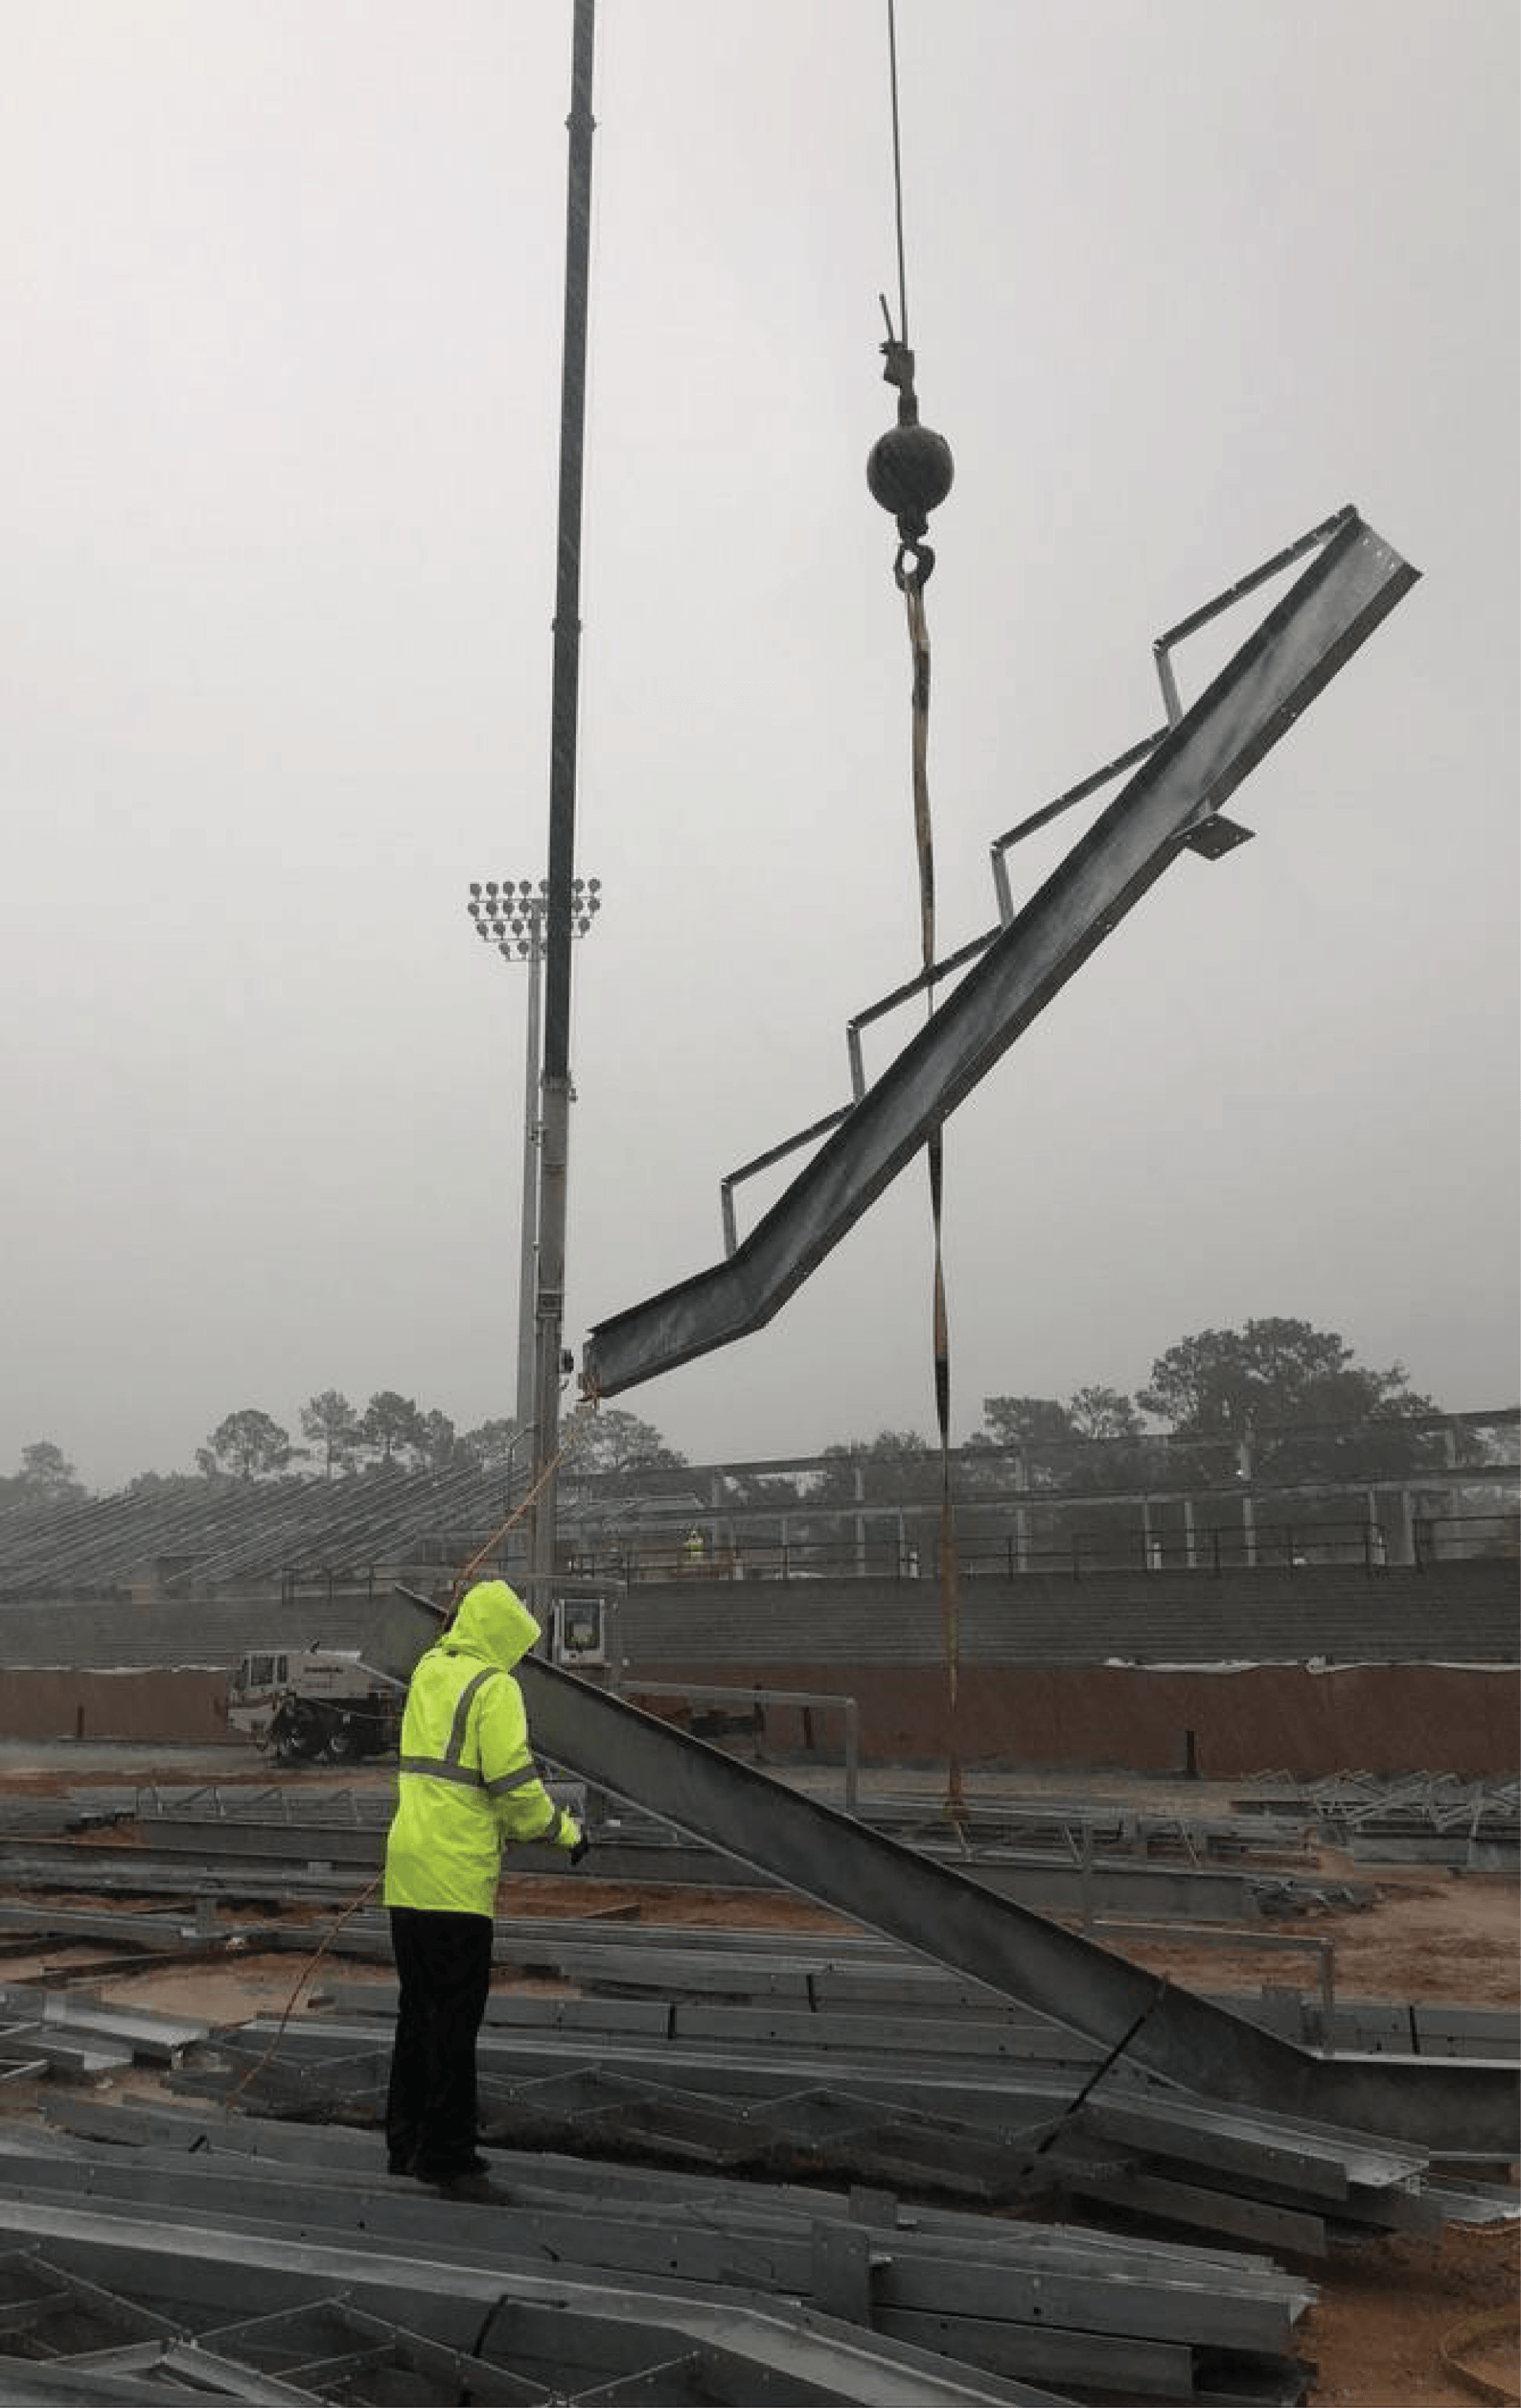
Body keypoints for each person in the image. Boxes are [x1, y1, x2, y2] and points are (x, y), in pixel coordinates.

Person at [383, 1577, 585, 2201]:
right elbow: (515, 1787)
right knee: (454, 2021)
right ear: (502, 1636)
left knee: (417, 2013)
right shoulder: (495, 1686)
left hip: (407, 1871)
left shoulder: (429, 1671)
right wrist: (564, 1831)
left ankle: (408, 2142)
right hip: (455, 1879)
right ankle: (449, 2158)